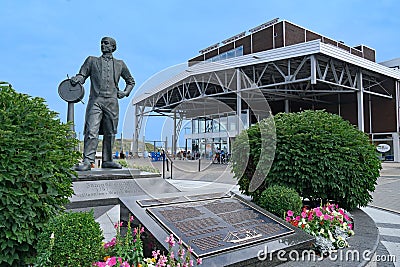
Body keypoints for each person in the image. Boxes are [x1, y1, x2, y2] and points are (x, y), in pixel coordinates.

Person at [71, 37, 135, 171]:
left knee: (110, 132)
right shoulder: (91, 60)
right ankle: (88, 161)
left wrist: (125, 93)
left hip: (112, 102)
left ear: (113, 47)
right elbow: (82, 75)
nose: (102, 45)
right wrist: (78, 79)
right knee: (91, 130)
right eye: (101, 43)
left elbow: (130, 81)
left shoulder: (120, 64)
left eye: (106, 43)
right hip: (96, 100)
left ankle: (108, 160)